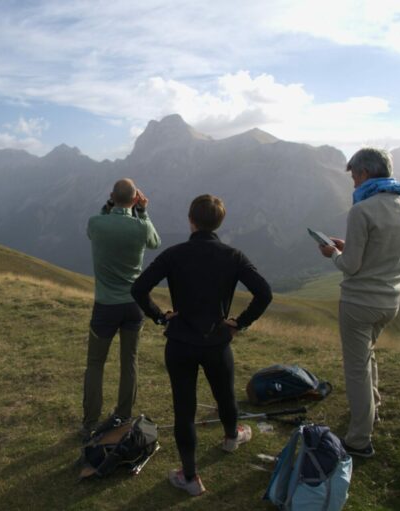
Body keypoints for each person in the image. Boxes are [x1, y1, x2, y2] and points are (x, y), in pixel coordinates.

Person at [131, 194, 272, 496]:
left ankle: (190, 478)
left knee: (185, 409)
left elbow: (139, 288)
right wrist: (239, 322)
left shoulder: (173, 254)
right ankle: (232, 437)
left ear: (191, 220)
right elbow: (264, 293)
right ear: (220, 222)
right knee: (225, 393)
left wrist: (160, 317)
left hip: (180, 341)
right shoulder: (233, 255)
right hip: (217, 341)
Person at [317, 148, 400, 458]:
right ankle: (373, 408)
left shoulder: (361, 210)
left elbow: (351, 266)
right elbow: (388, 252)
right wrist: (350, 248)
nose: (353, 183)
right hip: (391, 299)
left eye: (354, 176)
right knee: (368, 355)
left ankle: (359, 440)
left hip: (360, 301)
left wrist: (334, 253)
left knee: (356, 368)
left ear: (364, 174)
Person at [81, 178, 161, 437]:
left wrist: (110, 206)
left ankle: (91, 422)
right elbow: (155, 242)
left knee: (95, 363)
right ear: (136, 199)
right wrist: (143, 211)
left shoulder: (96, 224)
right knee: (130, 361)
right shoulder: (140, 227)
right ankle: (123, 417)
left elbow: (97, 223)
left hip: (105, 306)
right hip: (133, 306)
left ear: (112, 197)